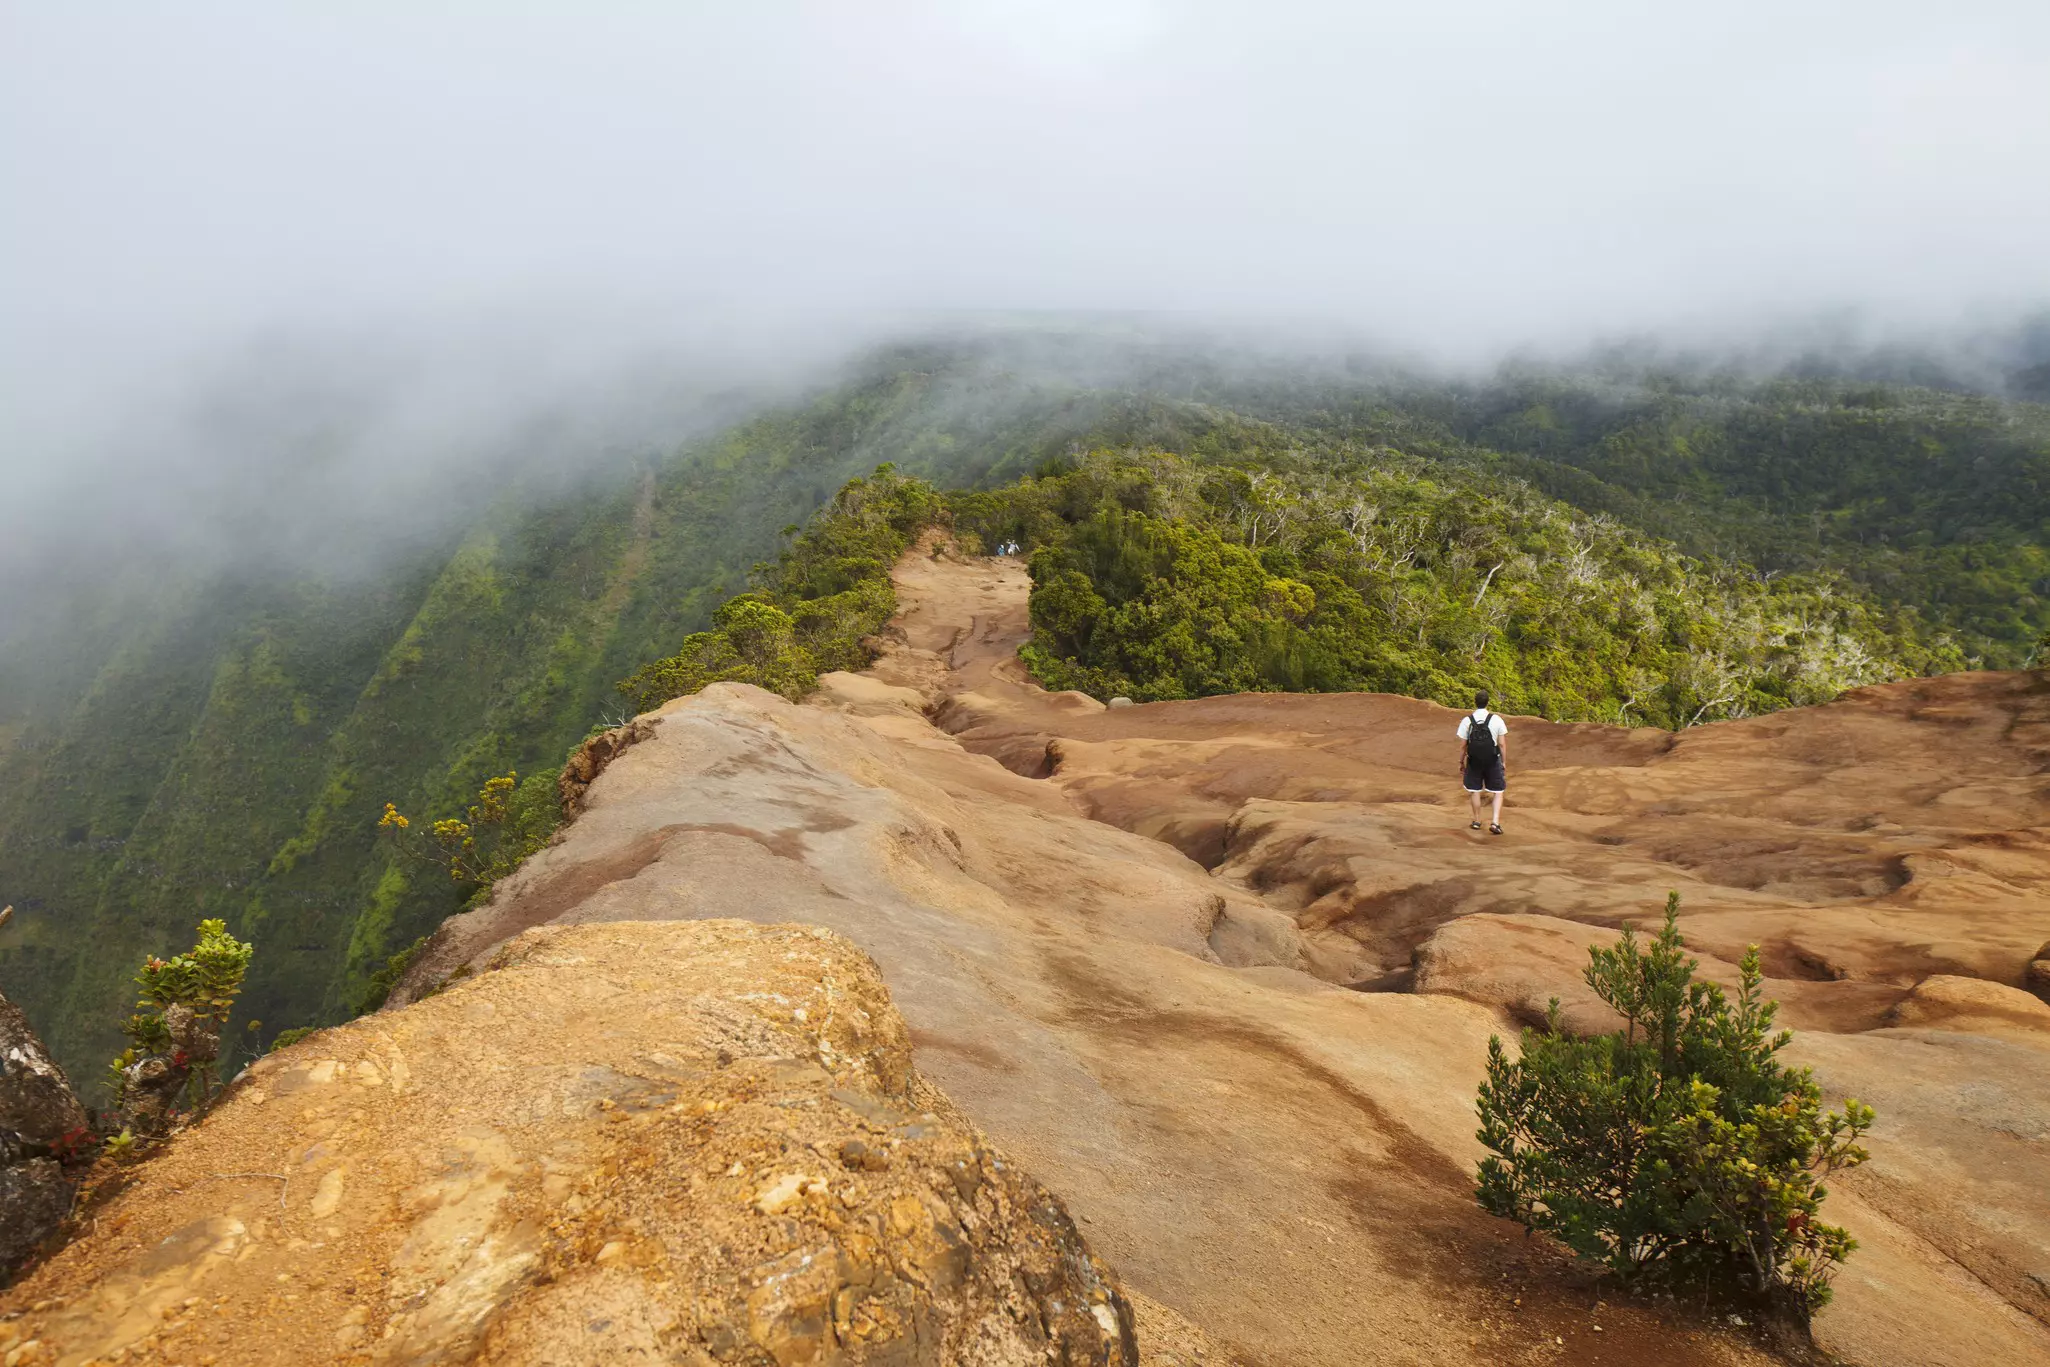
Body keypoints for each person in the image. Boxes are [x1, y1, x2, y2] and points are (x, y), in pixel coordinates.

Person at [1456, 688, 1507, 835]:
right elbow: (1502, 744)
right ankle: (1495, 822)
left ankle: (1477, 821)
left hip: (1474, 761)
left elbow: (1463, 745)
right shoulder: (1496, 719)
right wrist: (1503, 762)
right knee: (1498, 791)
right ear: (1487, 703)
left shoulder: (1467, 721)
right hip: (1492, 759)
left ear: (1475, 702)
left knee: (1475, 790)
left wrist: (1461, 762)